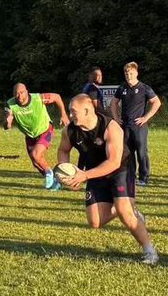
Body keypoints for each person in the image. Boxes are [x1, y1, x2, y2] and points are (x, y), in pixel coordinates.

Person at [56, 93, 159, 265]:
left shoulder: (110, 127)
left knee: (124, 211)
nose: (70, 115)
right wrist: (67, 171)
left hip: (121, 168)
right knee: (95, 222)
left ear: (87, 110)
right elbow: (63, 150)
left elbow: (113, 162)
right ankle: (125, 208)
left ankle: (150, 252)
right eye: (69, 111)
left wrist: (84, 175)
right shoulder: (70, 131)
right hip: (94, 171)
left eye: (73, 111)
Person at [4, 82, 68, 187]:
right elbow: (6, 126)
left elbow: (56, 97)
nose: (20, 96)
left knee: (36, 154)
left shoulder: (38, 98)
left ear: (27, 92)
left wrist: (63, 114)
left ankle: (49, 172)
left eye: (22, 92)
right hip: (30, 135)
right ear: (13, 94)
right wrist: (8, 122)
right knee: (36, 163)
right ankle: (55, 182)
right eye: (17, 94)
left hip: (45, 130)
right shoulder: (10, 105)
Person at [109, 61, 160, 185]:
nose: (128, 75)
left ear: (136, 73)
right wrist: (116, 118)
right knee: (127, 152)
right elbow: (113, 103)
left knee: (141, 152)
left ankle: (143, 178)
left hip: (139, 126)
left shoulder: (144, 88)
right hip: (125, 125)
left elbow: (156, 102)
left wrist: (146, 117)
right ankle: (130, 176)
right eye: (126, 73)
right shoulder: (122, 88)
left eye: (131, 73)